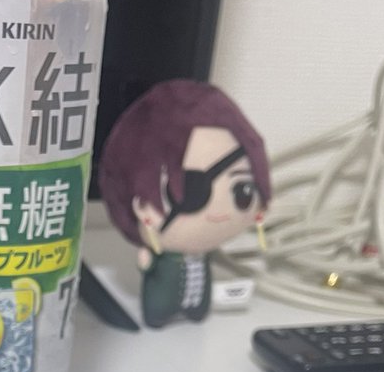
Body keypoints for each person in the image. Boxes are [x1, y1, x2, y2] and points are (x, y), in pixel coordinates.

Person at [98, 79, 271, 328]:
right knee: (158, 311)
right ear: (141, 207)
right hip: (159, 305)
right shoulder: (164, 253)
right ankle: (163, 316)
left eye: (242, 191)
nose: (220, 212)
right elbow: (148, 266)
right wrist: (147, 262)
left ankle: (194, 311)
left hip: (199, 304)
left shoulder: (204, 254)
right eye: (193, 190)